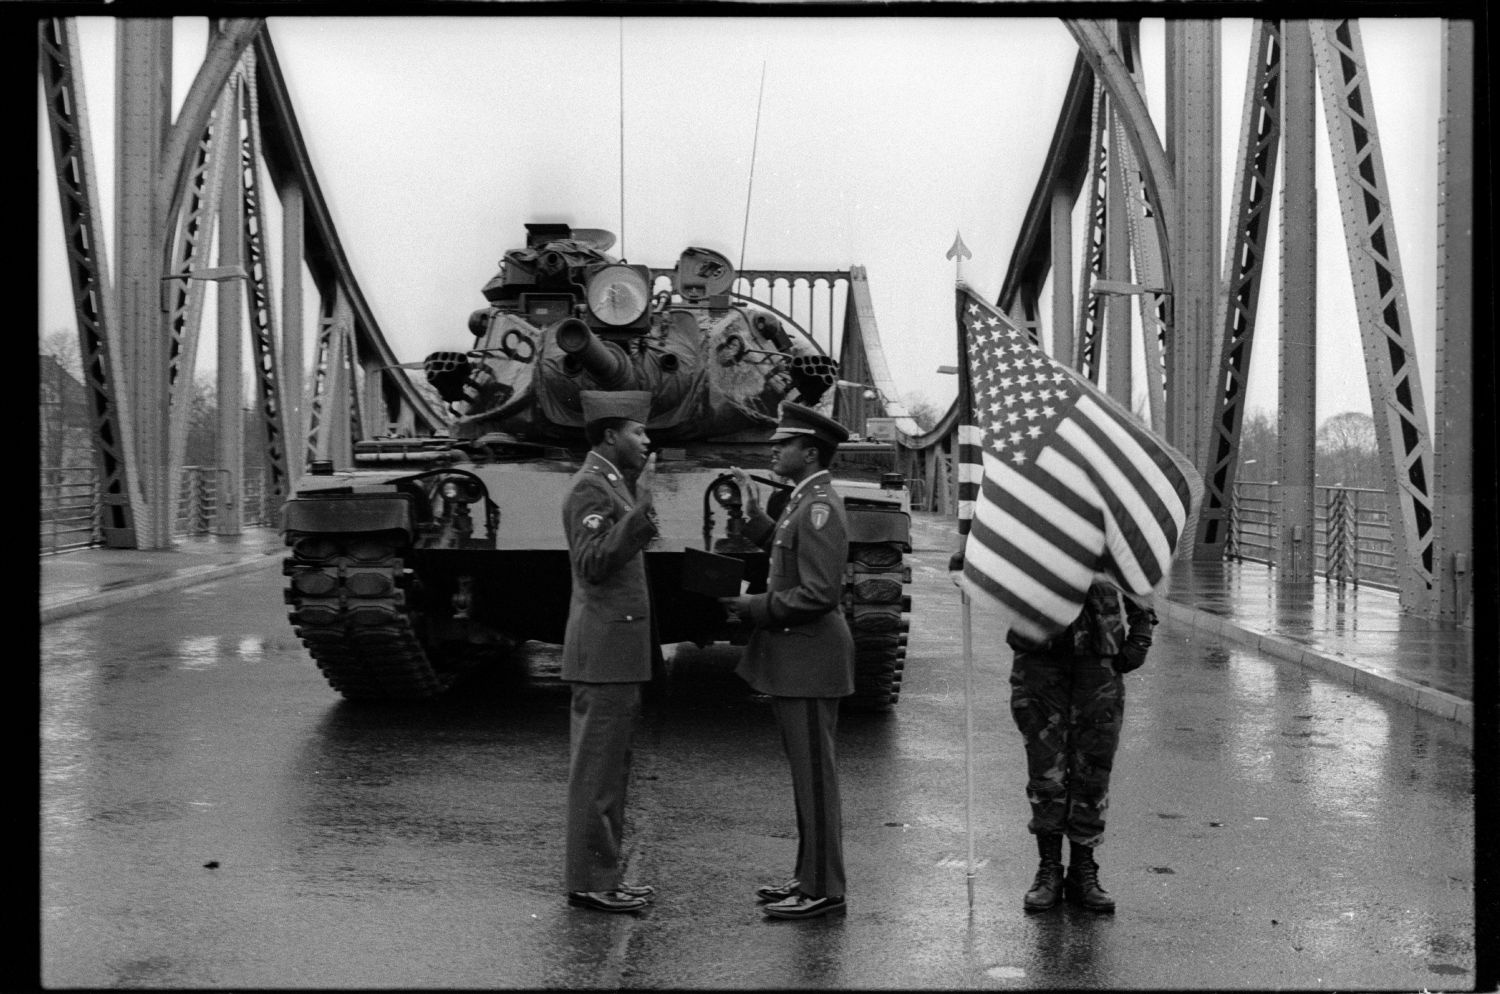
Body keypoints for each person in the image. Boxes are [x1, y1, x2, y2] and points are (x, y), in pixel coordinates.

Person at [720, 402, 854, 921]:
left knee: (816, 782)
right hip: (799, 657)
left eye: (784, 443)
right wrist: (754, 518)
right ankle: (808, 876)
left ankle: (824, 889)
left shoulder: (820, 507)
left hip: (809, 656)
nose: (774, 449)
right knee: (807, 780)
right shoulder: (804, 501)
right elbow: (786, 551)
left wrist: (754, 608)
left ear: (811, 451)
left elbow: (819, 591)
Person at [561, 390, 660, 914]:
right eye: (638, 432)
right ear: (609, 436)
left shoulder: (611, 486)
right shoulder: (590, 489)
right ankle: (591, 882)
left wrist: (636, 506)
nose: (647, 440)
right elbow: (594, 561)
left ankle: (605, 876)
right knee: (596, 775)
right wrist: (640, 512)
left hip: (616, 651)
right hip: (603, 652)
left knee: (611, 772)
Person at [1004, 579, 1156, 913]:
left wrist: (1141, 632)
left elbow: (1138, 568)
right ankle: (1049, 868)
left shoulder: (1110, 527)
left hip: (1098, 660)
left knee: (1093, 768)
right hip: (1038, 656)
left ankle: (1083, 870)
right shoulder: (1030, 524)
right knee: (1046, 769)